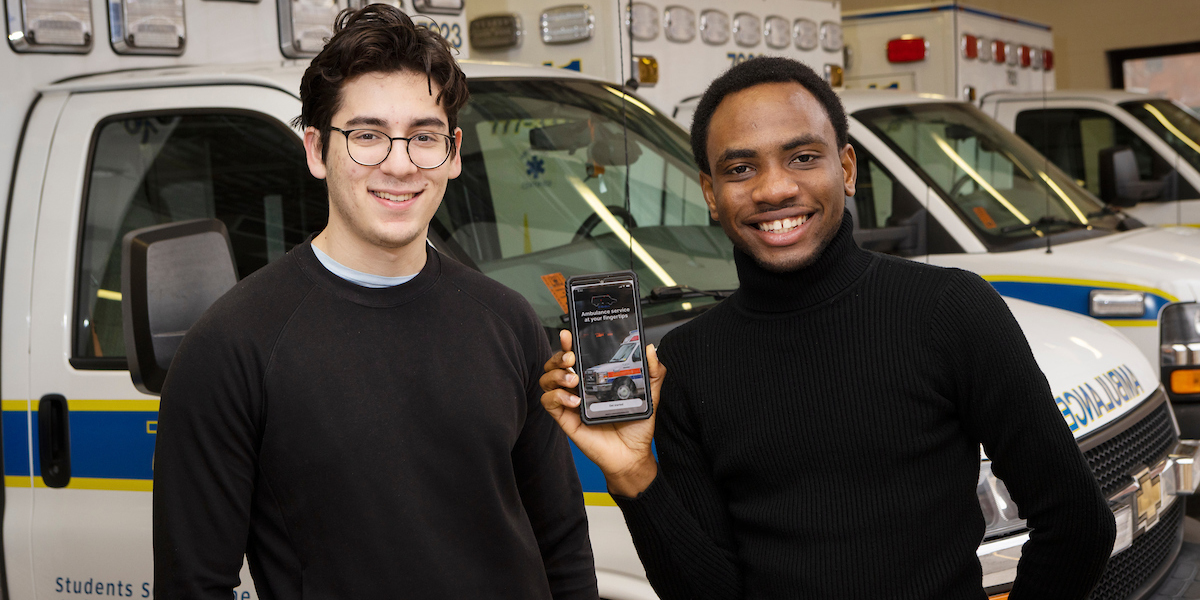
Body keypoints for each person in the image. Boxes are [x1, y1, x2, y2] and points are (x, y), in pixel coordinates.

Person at [540, 56, 1115, 599]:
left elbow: (1077, 523)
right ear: (711, 194)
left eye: (802, 157)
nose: (774, 189)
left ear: (845, 168)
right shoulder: (688, 359)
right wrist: (635, 475)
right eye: (741, 169)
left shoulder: (950, 309)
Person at [153, 5, 597, 598]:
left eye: (424, 136)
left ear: (454, 151)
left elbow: (562, 543)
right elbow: (193, 584)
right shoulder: (234, 345)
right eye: (366, 136)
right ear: (316, 150)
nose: (399, 163)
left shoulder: (510, 322)